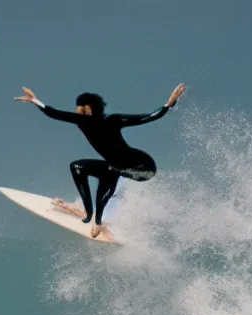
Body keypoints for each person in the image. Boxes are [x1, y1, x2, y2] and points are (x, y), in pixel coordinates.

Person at [14, 83, 187, 240]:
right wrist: (35, 101)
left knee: (110, 172)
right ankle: (89, 215)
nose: (77, 111)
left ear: (90, 108)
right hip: (116, 166)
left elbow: (148, 117)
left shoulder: (113, 120)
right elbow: (55, 113)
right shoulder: (80, 121)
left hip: (143, 166)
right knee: (77, 167)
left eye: (81, 108)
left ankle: (98, 221)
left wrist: (169, 104)